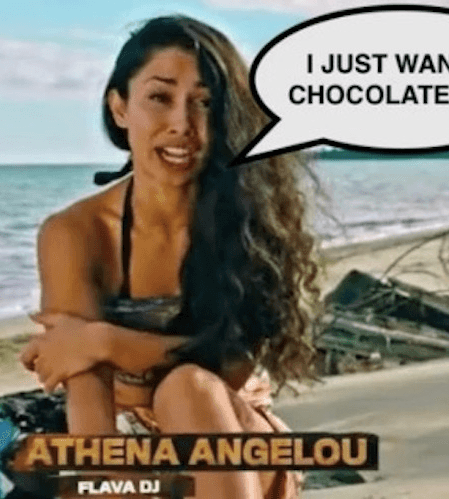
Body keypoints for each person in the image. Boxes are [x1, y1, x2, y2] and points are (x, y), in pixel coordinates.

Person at [17, 15, 321, 499]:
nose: (183, 125)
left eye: (205, 103)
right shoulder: (76, 232)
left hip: (237, 437)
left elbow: (232, 368)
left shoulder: (247, 219)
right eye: (160, 98)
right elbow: (87, 386)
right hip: (129, 439)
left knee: (187, 387)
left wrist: (106, 340)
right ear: (120, 108)